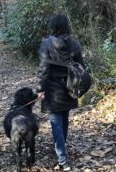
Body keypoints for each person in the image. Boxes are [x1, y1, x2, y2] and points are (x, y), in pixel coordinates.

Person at [36, 13, 85, 171]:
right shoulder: (74, 43)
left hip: (52, 88)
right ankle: (61, 149)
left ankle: (63, 160)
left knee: (56, 122)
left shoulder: (46, 44)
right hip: (71, 87)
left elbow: (43, 69)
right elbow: (81, 66)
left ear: (53, 26)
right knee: (64, 118)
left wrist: (40, 89)